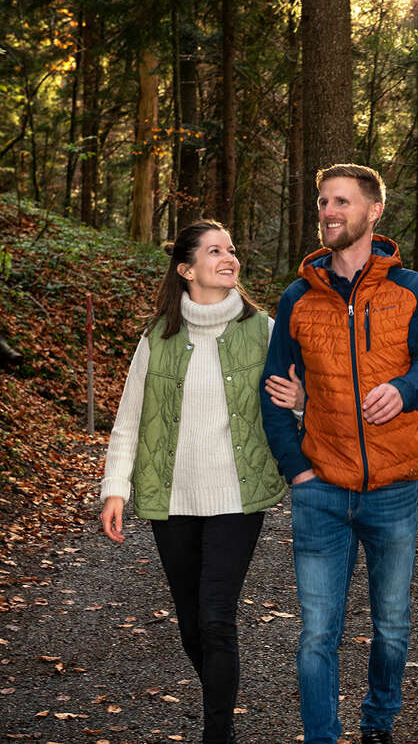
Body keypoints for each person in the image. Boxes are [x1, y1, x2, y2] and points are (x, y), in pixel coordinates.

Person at [262, 164, 418, 744]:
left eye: (342, 201)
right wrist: (297, 469)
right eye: (323, 202)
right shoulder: (298, 297)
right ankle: (322, 737)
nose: (329, 211)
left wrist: (404, 390)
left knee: (391, 628)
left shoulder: (411, 289)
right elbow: (274, 393)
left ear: (374, 212)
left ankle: (377, 725)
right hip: (321, 490)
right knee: (318, 633)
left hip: (394, 488)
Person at [99, 220, 296, 744]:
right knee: (191, 624)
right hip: (173, 496)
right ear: (187, 269)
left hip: (238, 494)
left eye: (231, 249)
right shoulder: (157, 337)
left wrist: (301, 405)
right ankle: (220, 696)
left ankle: (219, 733)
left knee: (215, 616)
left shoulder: (266, 330)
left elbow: (297, 402)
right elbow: (130, 418)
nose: (229, 257)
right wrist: (114, 487)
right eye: (215, 251)